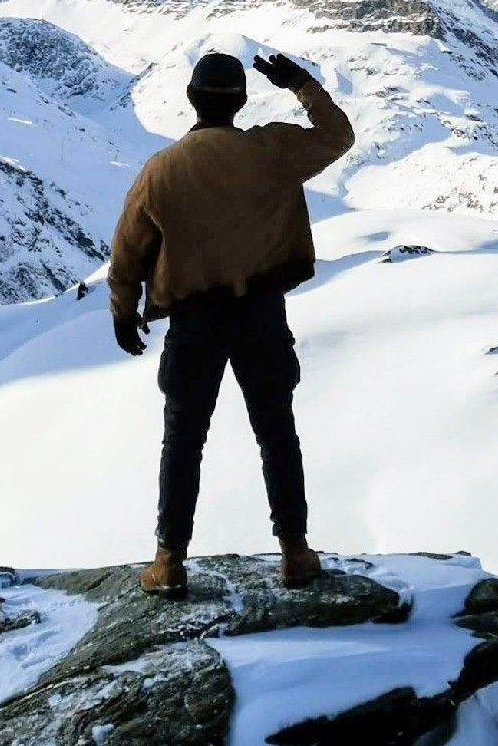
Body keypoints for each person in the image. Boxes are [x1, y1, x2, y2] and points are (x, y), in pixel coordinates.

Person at [108, 50, 355, 597]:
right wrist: (299, 83)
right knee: (276, 431)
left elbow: (128, 252)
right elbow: (337, 136)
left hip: (193, 323)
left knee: (183, 439)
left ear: (191, 99)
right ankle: (295, 552)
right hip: (261, 312)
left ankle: (169, 561)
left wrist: (124, 312)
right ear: (242, 101)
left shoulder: (161, 170)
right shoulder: (271, 151)